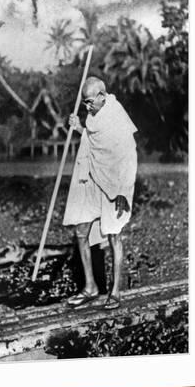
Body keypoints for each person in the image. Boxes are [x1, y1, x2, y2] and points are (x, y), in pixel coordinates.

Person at [62, 76, 138, 309]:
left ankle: (114, 292)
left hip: (114, 184)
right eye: (84, 102)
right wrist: (79, 128)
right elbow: (93, 142)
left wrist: (124, 191)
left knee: (114, 235)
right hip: (93, 177)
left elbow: (129, 156)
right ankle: (90, 286)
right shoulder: (93, 116)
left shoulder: (117, 116)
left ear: (102, 97)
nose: (86, 106)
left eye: (89, 102)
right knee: (81, 230)